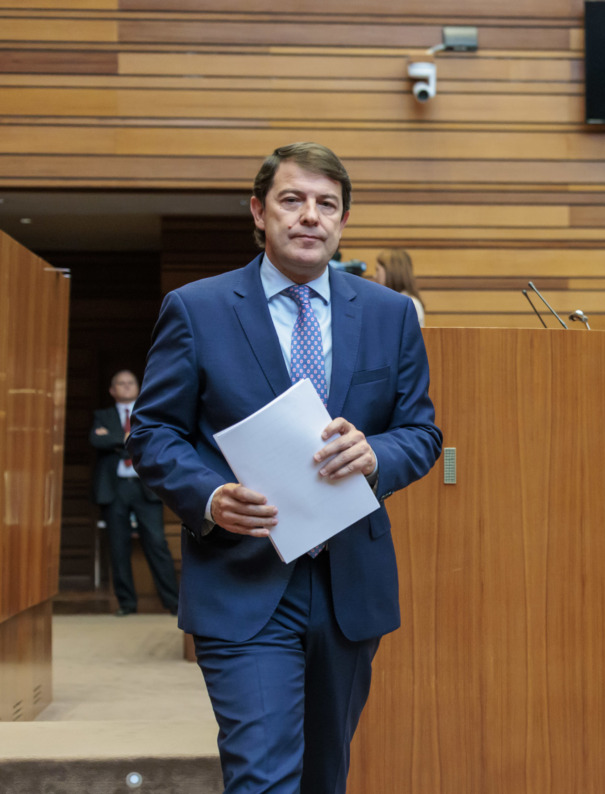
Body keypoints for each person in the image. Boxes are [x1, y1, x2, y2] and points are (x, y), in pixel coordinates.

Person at [127, 142, 443, 794]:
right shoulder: (197, 309)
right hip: (240, 583)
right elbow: (154, 433)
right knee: (262, 778)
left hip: (349, 587)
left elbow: (421, 432)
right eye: (292, 200)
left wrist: (376, 455)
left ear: (343, 220)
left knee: (324, 777)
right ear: (258, 211)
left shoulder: (388, 315)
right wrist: (209, 495)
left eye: (326, 204)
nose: (309, 216)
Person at [90, 369, 179, 617]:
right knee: (118, 548)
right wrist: (127, 438)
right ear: (112, 390)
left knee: (157, 544)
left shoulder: (148, 413)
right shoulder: (102, 415)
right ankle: (126, 603)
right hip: (114, 489)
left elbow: (154, 441)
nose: (127, 386)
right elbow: (97, 441)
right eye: (121, 383)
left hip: (146, 489)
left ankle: (174, 603)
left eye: (131, 382)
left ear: (139, 388)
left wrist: (115, 439)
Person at [374, 248, 425, 327]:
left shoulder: (410, 304)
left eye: (377, 270)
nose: (375, 276)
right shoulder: (397, 302)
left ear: (390, 271)